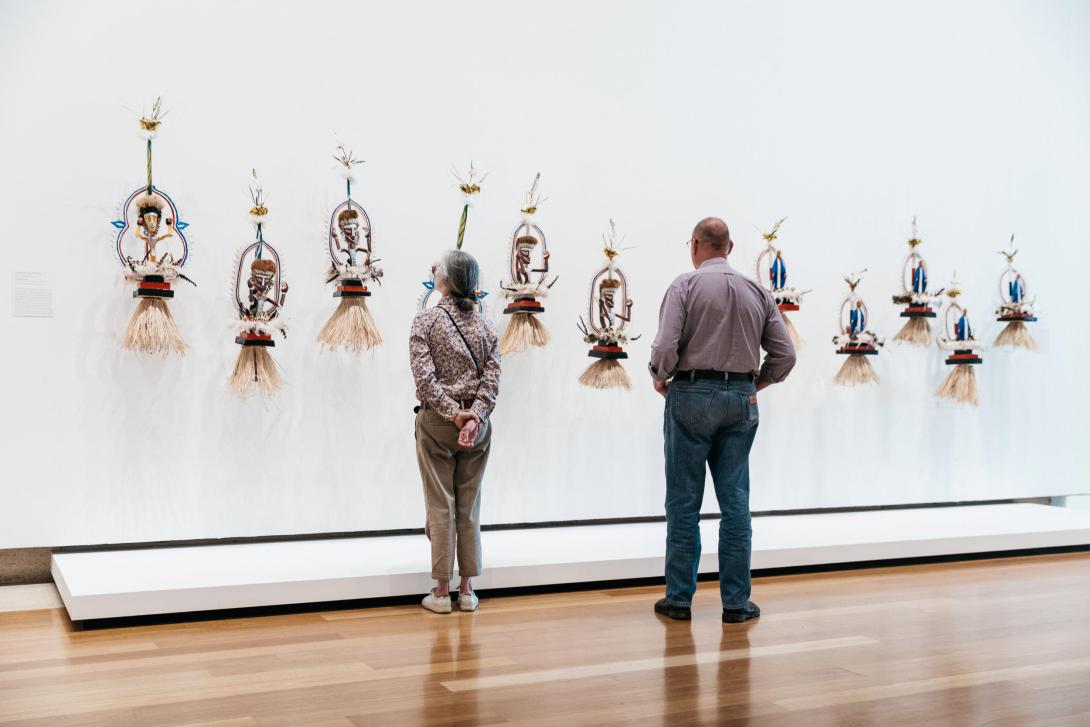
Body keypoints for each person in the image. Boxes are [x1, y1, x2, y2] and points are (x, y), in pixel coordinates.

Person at [648, 217, 796, 624]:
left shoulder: (684, 286)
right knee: (735, 503)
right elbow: (786, 356)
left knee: (684, 503)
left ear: (696, 244)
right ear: (729, 248)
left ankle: (679, 599)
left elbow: (665, 345)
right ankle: (736, 602)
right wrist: (755, 385)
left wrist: (661, 377)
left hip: (691, 395)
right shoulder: (758, 292)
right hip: (741, 398)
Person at [409, 250, 501, 614]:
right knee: (469, 504)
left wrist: (454, 415)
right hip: (478, 429)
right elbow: (492, 381)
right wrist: (475, 416)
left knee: (440, 503)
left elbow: (425, 379)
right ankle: (467, 589)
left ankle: (441, 590)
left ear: (442, 282)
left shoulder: (425, 323)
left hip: (438, 423)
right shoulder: (486, 327)